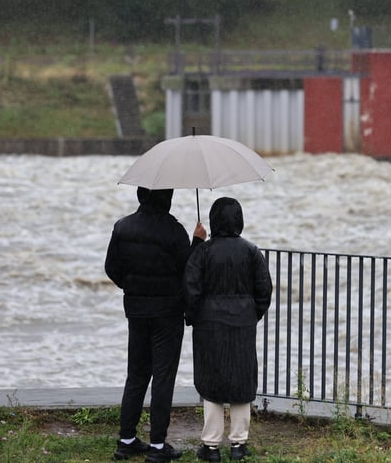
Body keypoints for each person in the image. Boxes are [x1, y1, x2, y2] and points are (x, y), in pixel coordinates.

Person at [105, 187, 206, 463]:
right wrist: (198, 242)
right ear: (167, 198)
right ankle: (158, 446)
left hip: (136, 311)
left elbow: (111, 269)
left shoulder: (122, 227)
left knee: (136, 374)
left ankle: (126, 441)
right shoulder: (173, 231)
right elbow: (189, 273)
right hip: (167, 314)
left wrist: (133, 288)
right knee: (163, 377)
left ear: (140, 195)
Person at [183, 197, 273, 462]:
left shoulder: (203, 252)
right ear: (239, 220)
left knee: (212, 381)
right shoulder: (251, 251)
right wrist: (251, 314)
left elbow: (190, 288)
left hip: (209, 325)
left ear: (214, 220)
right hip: (243, 323)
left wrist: (194, 317)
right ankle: (238, 443)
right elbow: (264, 291)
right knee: (241, 380)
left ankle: (210, 446)